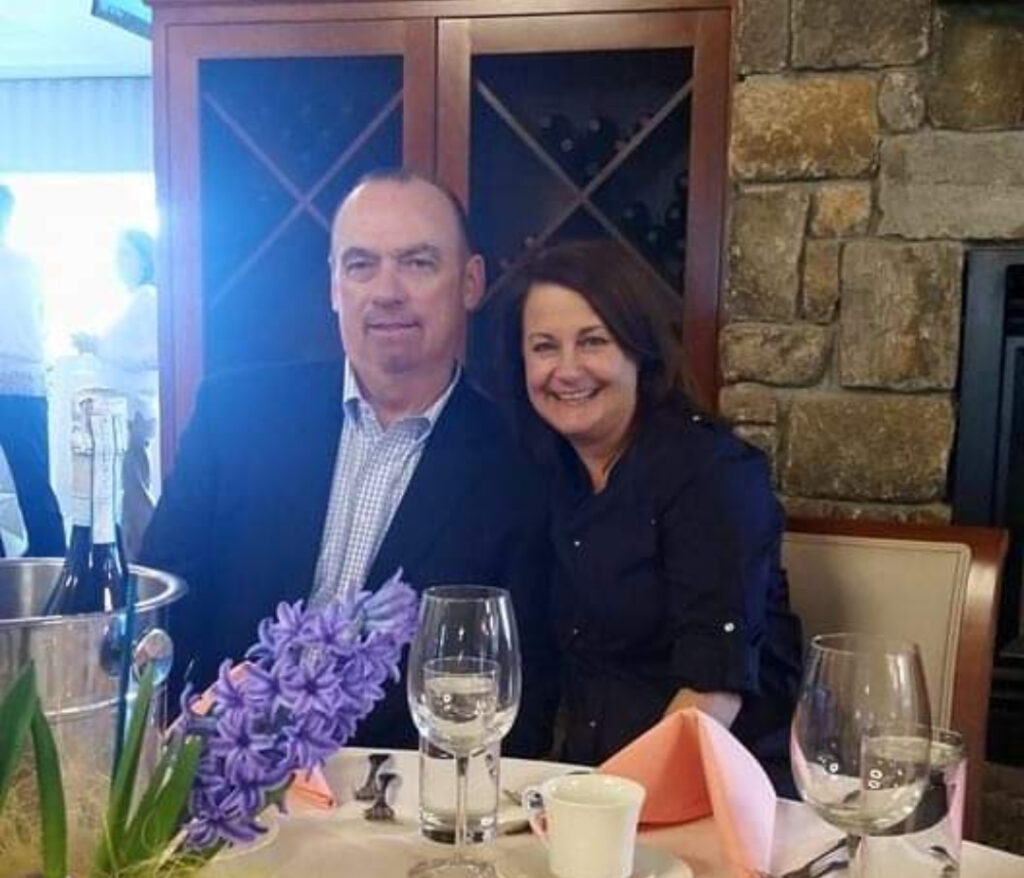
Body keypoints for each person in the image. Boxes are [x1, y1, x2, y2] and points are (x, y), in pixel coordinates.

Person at [140, 170, 557, 756]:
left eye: (417, 263)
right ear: (335, 286)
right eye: (361, 265)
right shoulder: (236, 412)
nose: (386, 291)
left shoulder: (523, 461)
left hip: (396, 795)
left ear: (469, 282)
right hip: (221, 768)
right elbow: (160, 602)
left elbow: (523, 680)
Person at [497, 239, 803, 791]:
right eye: (544, 347)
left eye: (592, 342)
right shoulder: (546, 472)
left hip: (718, 795)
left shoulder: (713, 473)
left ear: (640, 349)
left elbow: (713, 693)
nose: (566, 370)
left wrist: (612, 813)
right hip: (584, 785)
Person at [74, 229, 159, 560]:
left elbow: (152, 355)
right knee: (128, 491)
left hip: (132, 410)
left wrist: (97, 346)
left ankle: (149, 557)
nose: (118, 262)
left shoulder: (146, 298)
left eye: (126, 254)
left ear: (144, 258)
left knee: (134, 491)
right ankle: (135, 556)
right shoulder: (138, 299)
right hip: (125, 410)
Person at [0, 184, 66, 558]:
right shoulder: (29, 267)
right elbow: (41, 325)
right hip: (27, 383)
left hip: (25, 381)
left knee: (34, 483)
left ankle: (49, 558)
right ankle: (53, 559)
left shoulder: (27, 266)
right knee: (34, 482)